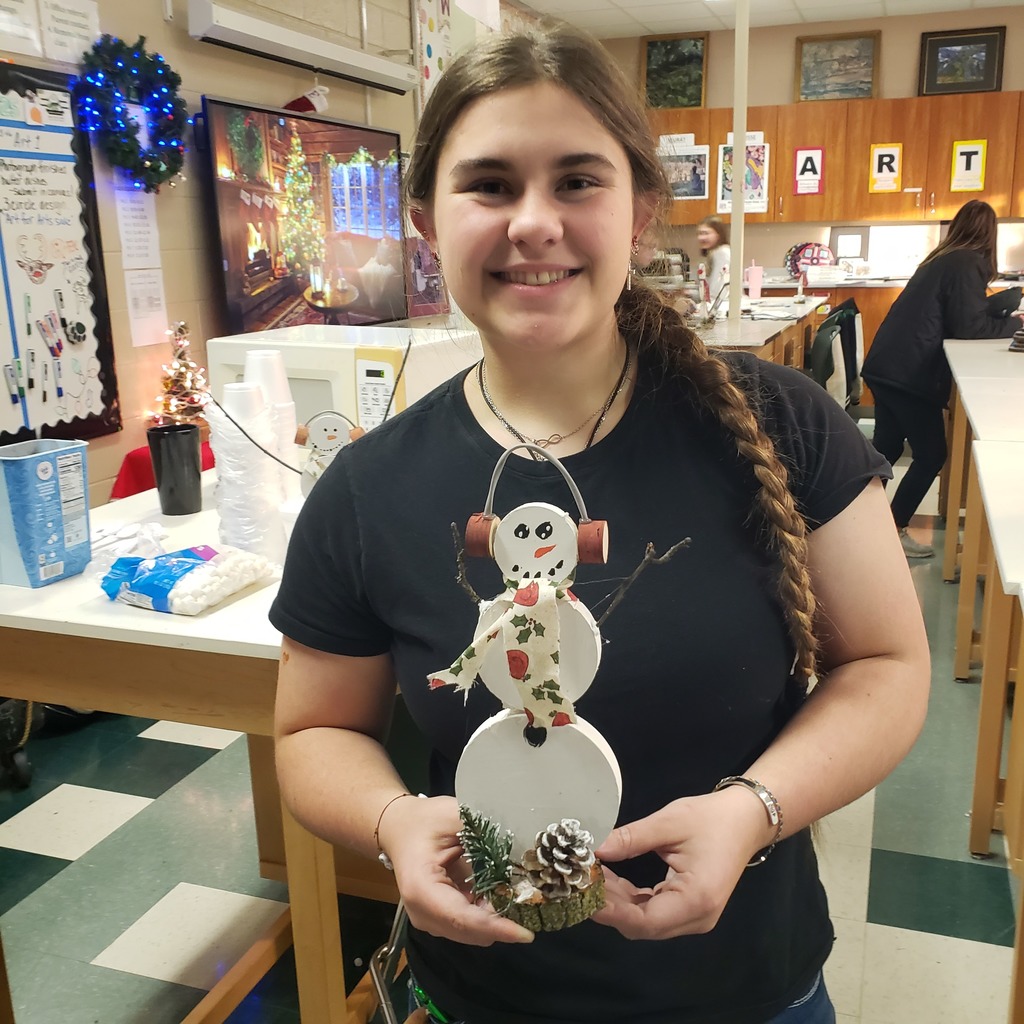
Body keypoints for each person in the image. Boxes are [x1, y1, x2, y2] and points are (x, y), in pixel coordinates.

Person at [271, 22, 930, 1024]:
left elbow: (885, 667)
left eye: (578, 181)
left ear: (641, 211)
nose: (533, 221)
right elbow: (316, 727)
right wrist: (391, 819)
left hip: (749, 988)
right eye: (489, 184)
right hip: (487, 994)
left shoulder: (776, 421)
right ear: (424, 220)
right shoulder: (367, 489)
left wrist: (752, 812)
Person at [862, 199, 1023, 559]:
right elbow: (969, 327)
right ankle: (894, 528)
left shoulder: (942, 257)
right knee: (932, 454)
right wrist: (1016, 324)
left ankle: (855, 523)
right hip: (909, 372)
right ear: (990, 235)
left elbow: (959, 315)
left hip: (887, 364)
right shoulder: (969, 262)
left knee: (885, 449)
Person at [697, 214, 731, 300]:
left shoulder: (721, 253)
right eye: (699, 233)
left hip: (724, 304)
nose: (701, 237)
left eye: (706, 233)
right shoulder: (714, 253)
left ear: (718, 235)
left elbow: (717, 288)